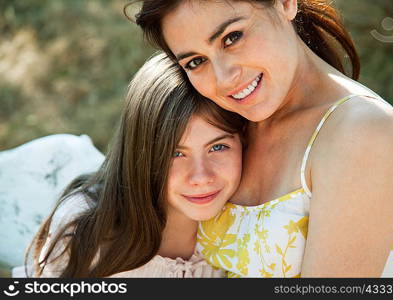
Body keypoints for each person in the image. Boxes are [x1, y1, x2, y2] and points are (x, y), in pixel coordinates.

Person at [133, 0, 393, 277]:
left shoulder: (361, 130)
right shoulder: (227, 120)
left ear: (285, 4)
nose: (224, 78)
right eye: (196, 61)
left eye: (232, 37)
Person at [26, 53, 245, 278]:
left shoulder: (249, 225)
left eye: (218, 147)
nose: (201, 176)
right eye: (175, 153)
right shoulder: (87, 231)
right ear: (140, 152)